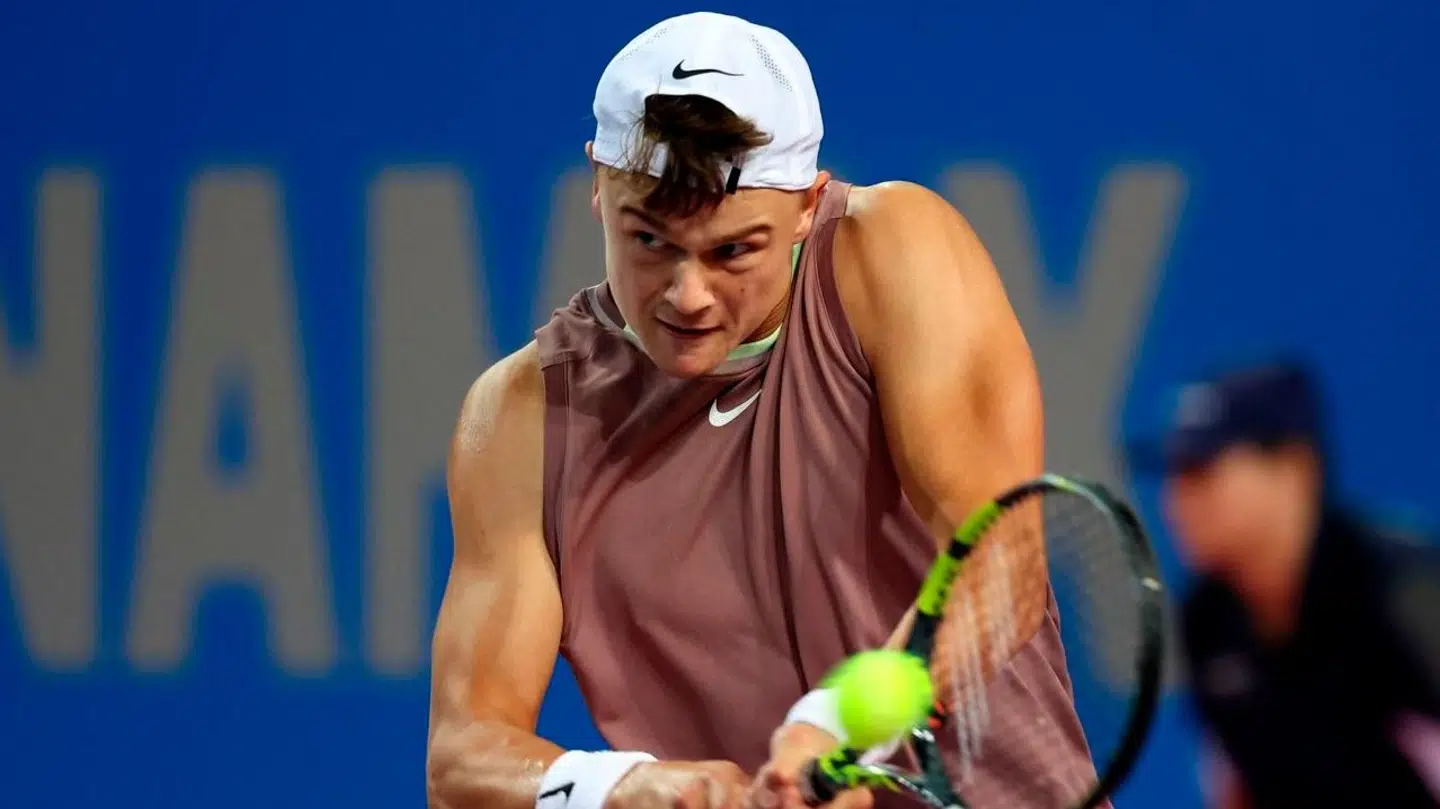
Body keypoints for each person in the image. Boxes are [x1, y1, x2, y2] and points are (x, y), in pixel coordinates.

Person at [426, 11, 1098, 809]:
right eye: (651, 241)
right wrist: (621, 785)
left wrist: (841, 722)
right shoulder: (519, 421)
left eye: (732, 251)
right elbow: (463, 755)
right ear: (598, 186)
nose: (688, 294)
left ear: (808, 204)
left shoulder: (892, 251)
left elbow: (1001, 561)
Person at [1135, 361, 1440, 808]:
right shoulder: (1207, 619)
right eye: (1171, 476)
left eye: (1201, 470)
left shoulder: (1408, 591)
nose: (1175, 502)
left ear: (1294, 469)